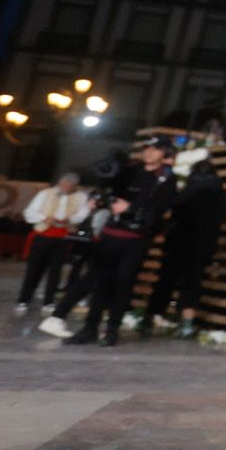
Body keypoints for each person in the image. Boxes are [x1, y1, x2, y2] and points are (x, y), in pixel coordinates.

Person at [59, 138, 178, 347]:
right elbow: (108, 188)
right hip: (110, 234)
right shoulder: (129, 170)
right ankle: (90, 328)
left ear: (164, 153)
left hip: (136, 239)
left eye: (156, 150)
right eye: (147, 148)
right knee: (100, 282)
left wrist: (130, 209)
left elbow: (159, 209)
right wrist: (97, 199)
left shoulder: (166, 178)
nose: (149, 153)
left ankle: (112, 329)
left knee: (124, 284)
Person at [142, 150, 226, 338]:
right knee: (192, 284)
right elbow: (221, 217)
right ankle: (187, 323)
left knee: (166, 281)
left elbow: (175, 213)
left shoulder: (188, 191)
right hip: (202, 246)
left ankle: (149, 318)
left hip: (179, 243)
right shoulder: (219, 193)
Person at [16, 173, 90, 313]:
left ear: (75, 186)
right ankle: (24, 299)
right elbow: (29, 212)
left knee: (55, 270)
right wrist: (44, 218)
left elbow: (83, 213)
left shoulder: (81, 197)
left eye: (69, 186)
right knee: (34, 268)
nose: (65, 187)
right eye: (63, 184)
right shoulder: (46, 193)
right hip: (43, 234)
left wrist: (71, 219)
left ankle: (49, 301)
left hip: (63, 237)